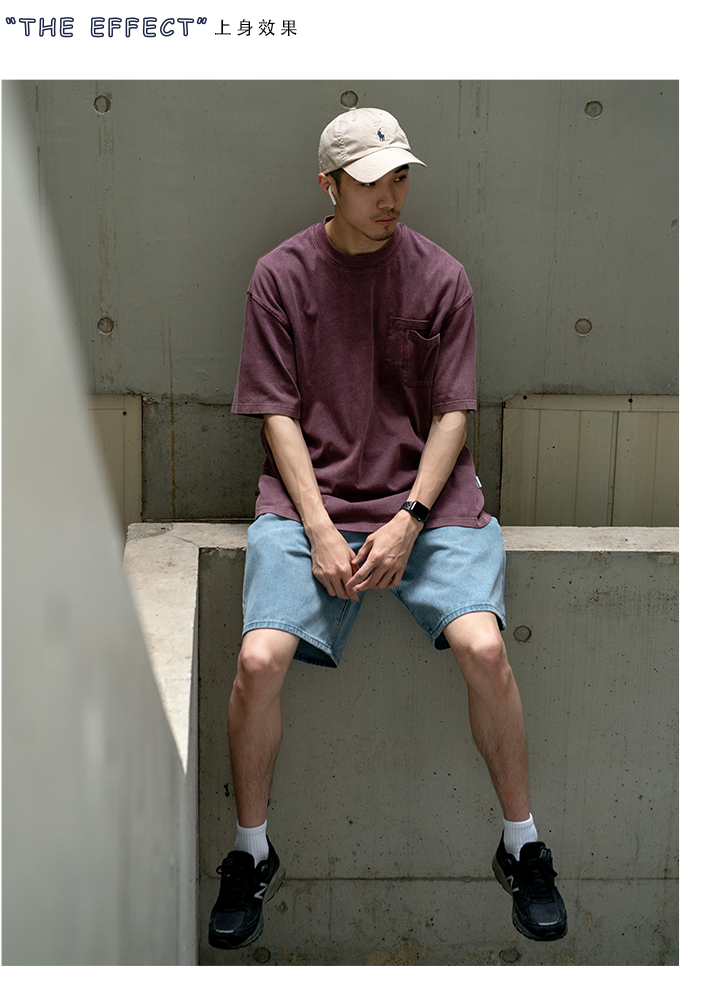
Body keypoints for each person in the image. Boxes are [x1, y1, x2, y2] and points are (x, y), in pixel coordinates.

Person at [208, 107, 567, 950]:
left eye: (400, 177)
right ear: (329, 186)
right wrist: (319, 527)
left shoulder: (441, 276)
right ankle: (251, 853)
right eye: (371, 182)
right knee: (258, 661)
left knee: (485, 649)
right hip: (311, 500)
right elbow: (275, 413)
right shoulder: (281, 276)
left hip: (429, 503)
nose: (391, 197)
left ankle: (522, 845)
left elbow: (452, 414)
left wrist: (409, 520)